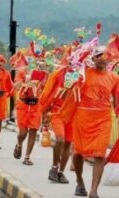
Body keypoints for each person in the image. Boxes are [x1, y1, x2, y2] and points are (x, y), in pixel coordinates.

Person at [71, 46, 119, 198]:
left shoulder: (114, 77)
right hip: (82, 118)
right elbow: (71, 86)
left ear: (108, 58)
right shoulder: (84, 74)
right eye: (97, 55)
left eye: (104, 55)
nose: (101, 58)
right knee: (78, 153)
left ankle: (93, 191)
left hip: (103, 119)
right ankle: (79, 181)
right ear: (92, 59)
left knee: (100, 155)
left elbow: (117, 100)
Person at [40, 64, 80, 183]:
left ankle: (61, 172)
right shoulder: (59, 74)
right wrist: (45, 109)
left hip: (72, 114)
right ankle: (54, 168)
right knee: (60, 140)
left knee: (68, 143)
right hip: (57, 111)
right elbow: (50, 91)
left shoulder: (82, 75)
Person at [13, 67, 47, 165]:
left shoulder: (44, 74)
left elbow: (46, 90)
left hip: (36, 107)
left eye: (42, 61)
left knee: (33, 131)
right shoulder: (23, 71)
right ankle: (19, 145)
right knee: (22, 133)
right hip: (23, 106)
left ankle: (27, 157)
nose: (40, 63)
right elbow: (17, 86)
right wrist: (25, 83)